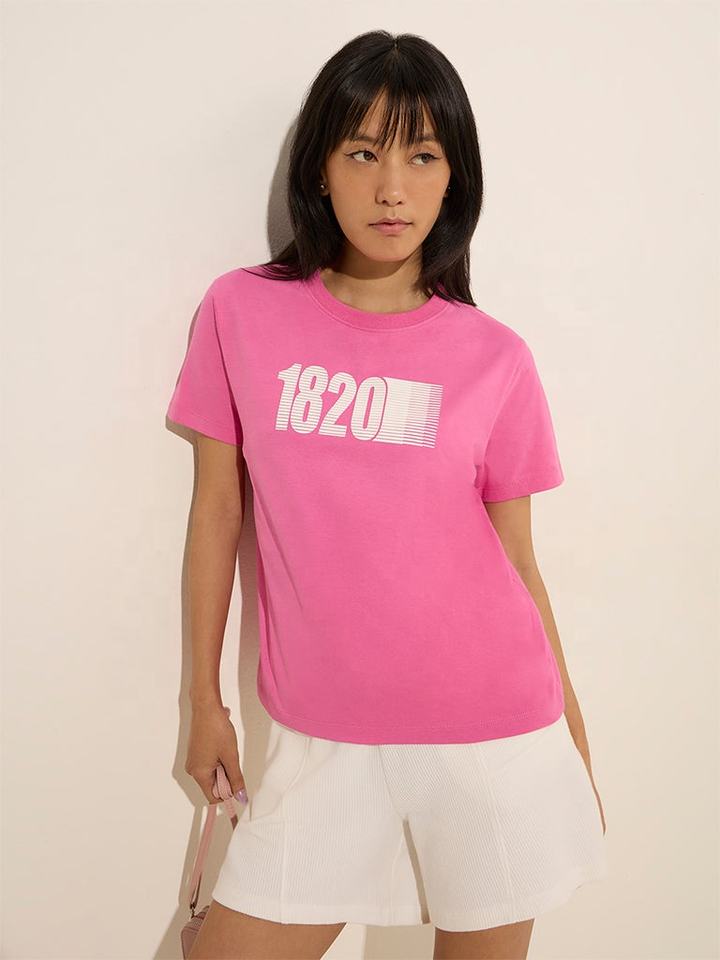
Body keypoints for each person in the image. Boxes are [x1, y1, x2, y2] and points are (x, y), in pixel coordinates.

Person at [166, 29, 608, 960]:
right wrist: (203, 701)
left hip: (495, 738)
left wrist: (570, 727)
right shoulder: (242, 312)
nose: (392, 188)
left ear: (455, 179)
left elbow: (517, 559)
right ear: (321, 170)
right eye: (363, 153)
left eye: (422, 155)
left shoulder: (495, 356)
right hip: (321, 740)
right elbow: (217, 511)